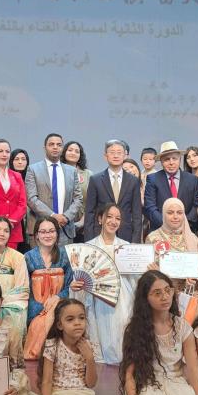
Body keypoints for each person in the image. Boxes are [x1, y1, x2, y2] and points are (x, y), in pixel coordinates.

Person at [81, 205, 135, 364]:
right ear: (100, 219)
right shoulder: (89, 246)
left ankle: (124, 355)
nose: (113, 221)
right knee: (101, 323)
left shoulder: (126, 246)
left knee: (123, 318)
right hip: (98, 294)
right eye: (109, 216)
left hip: (122, 292)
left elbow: (134, 276)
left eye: (118, 218)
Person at [26, 133, 83, 245]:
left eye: (59, 145)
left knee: (65, 257)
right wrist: (52, 216)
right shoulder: (33, 169)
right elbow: (31, 199)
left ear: (62, 148)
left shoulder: (72, 171)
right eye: (51, 144)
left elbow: (78, 198)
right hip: (41, 229)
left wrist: (66, 217)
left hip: (65, 228)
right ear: (45, 148)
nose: (55, 147)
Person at [84, 140, 143, 243]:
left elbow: (137, 214)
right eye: (112, 152)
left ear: (125, 155)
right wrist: (89, 241)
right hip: (100, 235)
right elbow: (90, 212)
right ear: (105, 156)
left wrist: (135, 241)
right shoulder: (95, 180)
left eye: (119, 152)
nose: (116, 156)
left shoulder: (133, 181)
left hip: (126, 235)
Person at [23, 217, 73, 324]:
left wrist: (58, 298)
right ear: (37, 235)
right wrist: (41, 309)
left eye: (51, 231)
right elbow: (25, 289)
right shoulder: (27, 257)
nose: (48, 235)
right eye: (43, 232)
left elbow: (70, 285)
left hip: (61, 309)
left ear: (57, 234)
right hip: (35, 312)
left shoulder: (65, 255)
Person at [145, 141, 198, 232]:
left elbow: (196, 205)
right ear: (161, 162)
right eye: (167, 159)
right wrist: (167, 225)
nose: (171, 162)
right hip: (160, 231)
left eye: (174, 158)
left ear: (180, 159)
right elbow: (150, 207)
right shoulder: (153, 179)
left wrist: (183, 224)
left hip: (187, 230)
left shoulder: (192, 180)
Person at [62, 140, 91, 240]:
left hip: (84, 223)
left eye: (77, 151)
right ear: (64, 152)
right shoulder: (56, 172)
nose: (73, 153)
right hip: (61, 222)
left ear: (80, 156)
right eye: (70, 150)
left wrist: (82, 221)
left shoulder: (88, 174)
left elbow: (92, 200)